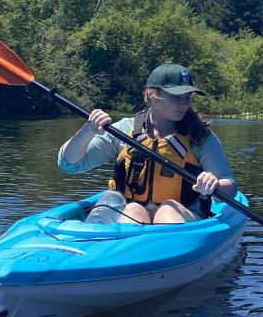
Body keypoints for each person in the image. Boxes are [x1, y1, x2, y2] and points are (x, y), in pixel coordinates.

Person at [58, 63, 236, 224]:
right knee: (133, 209)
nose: (184, 104)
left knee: (167, 210)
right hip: (131, 216)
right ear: (151, 95)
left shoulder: (200, 136)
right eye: (176, 97)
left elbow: (230, 186)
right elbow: (70, 164)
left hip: (183, 217)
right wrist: (89, 130)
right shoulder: (124, 130)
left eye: (187, 97)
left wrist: (215, 185)